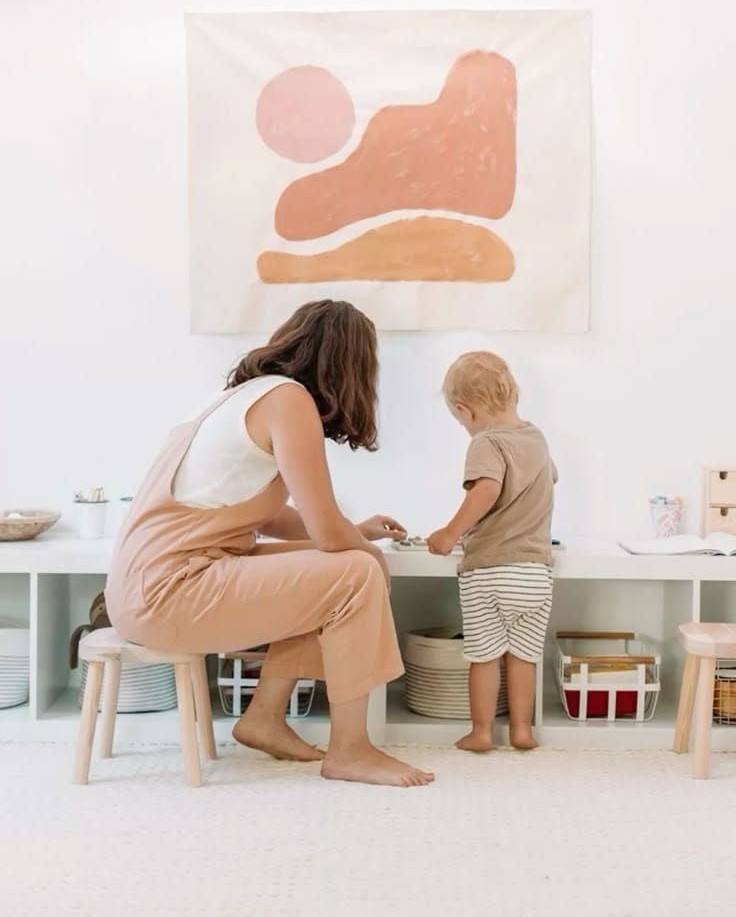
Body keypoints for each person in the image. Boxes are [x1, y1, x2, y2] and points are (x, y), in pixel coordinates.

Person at [105, 300, 434, 787]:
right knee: (356, 573)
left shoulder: (237, 398)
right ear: (346, 364)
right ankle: (350, 751)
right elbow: (328, 534)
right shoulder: (288, 400)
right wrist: (366, 555)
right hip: (168, 591)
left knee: (333, 569)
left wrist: (356, 532)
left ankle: (264, 717)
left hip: (148, 585)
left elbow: (270, 516)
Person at [426, 351, 556, 753]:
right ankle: (521, 730)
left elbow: (486, 489)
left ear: (464, 410)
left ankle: (482, 732)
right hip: (535, 573)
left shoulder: (486, 442)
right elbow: (549, 478)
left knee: (484, 656)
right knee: (524, 656)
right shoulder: (536, 438)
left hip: (490, 572)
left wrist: (449, 534)